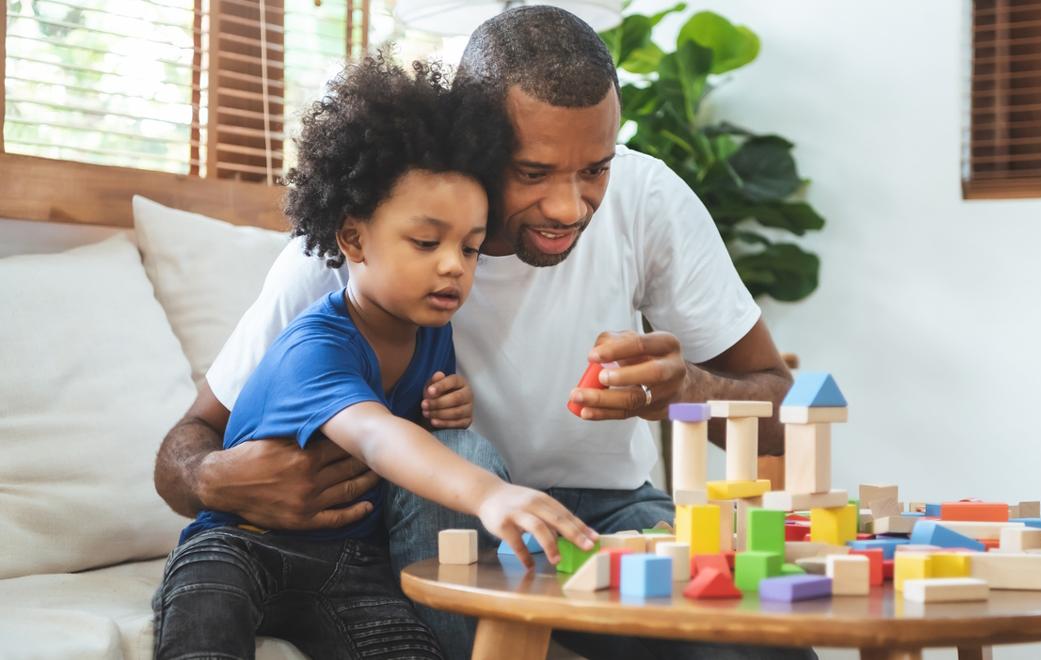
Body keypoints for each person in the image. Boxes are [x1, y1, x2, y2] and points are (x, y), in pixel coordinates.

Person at [155, 6, 811, 660]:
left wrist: (687, 389)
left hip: (607, 516)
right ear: (473, 140)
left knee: (766, 644)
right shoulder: (360, 250)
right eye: (533, 172)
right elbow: (185, 449)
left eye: (595, 169)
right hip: (443, 520)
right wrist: (218, 480)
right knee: (461, 457)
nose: (569, 206)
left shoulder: (647, 199)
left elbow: (784, 412)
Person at [152, 56, 596, 660]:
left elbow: (405, 431)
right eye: (425, 242)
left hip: (350, 562)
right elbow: (376, 435)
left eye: (469, 249)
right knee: (205, 626)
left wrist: (446, 406)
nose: (452, 266)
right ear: (353, 238)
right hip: (240, 545)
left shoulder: (430, 326)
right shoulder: (315, 346)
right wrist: (489, 494)